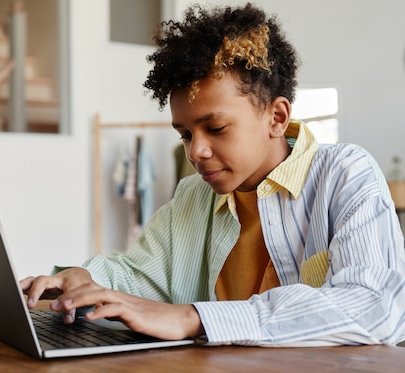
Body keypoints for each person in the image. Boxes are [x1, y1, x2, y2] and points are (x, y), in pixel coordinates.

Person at [21, 3, 405, 346]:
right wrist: (84, 278)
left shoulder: (345, 175)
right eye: (185, 134)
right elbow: (139, 275)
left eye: (216, 129)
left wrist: (193, 317)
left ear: (277, 117)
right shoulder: (193, 196)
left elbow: (376, 305)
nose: (195, 152)